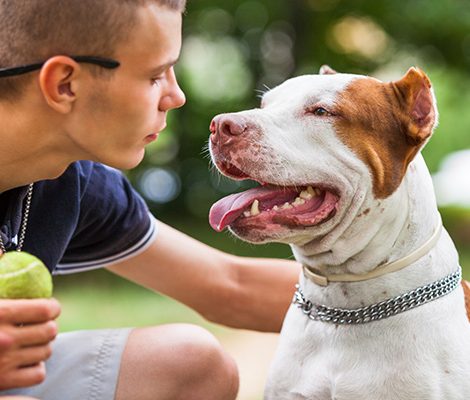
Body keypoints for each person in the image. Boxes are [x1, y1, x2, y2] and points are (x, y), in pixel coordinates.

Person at [0, 1, 301, 399]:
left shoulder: (69, 181)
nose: (176, 96)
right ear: (64, 84)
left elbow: (229, 285)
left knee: (190, 363)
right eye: (155, 75)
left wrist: (402, 289)